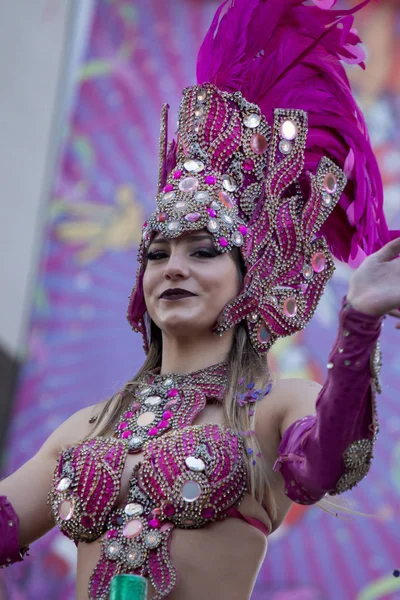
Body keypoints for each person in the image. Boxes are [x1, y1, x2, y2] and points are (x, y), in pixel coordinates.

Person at [1, 0, 400, 598]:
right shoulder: (85, 429)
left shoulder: (272, 410)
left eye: (204, 251)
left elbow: (328, 463)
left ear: (253, 271)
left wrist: (361, 318)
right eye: (158, 254)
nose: (173, 269)